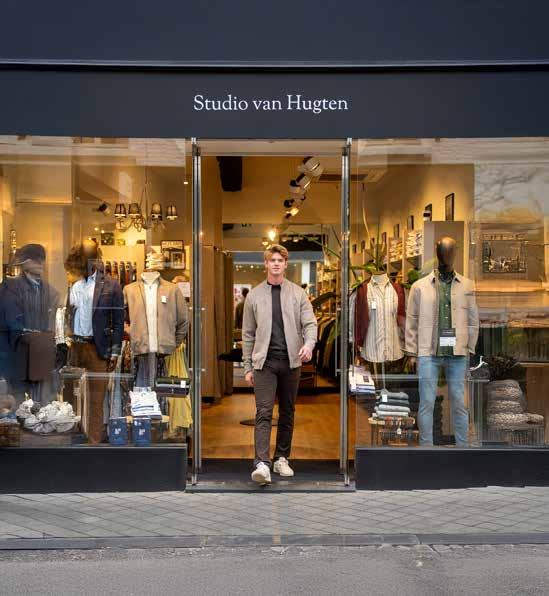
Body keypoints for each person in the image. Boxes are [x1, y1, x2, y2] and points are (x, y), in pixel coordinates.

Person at [242, 245, 317, 485]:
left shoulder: (298, 294)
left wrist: (309, 345)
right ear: (266, 264)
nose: (275, 263)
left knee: (287, 411)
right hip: (264, 363)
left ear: (286, 264)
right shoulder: (254, 296)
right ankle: (262, 463)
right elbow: (248, 334)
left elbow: (310, 324)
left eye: (280, 260)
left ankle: (281, 458)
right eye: (272, 260)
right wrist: (247, 367)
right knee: (263, 412)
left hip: (291, 362)